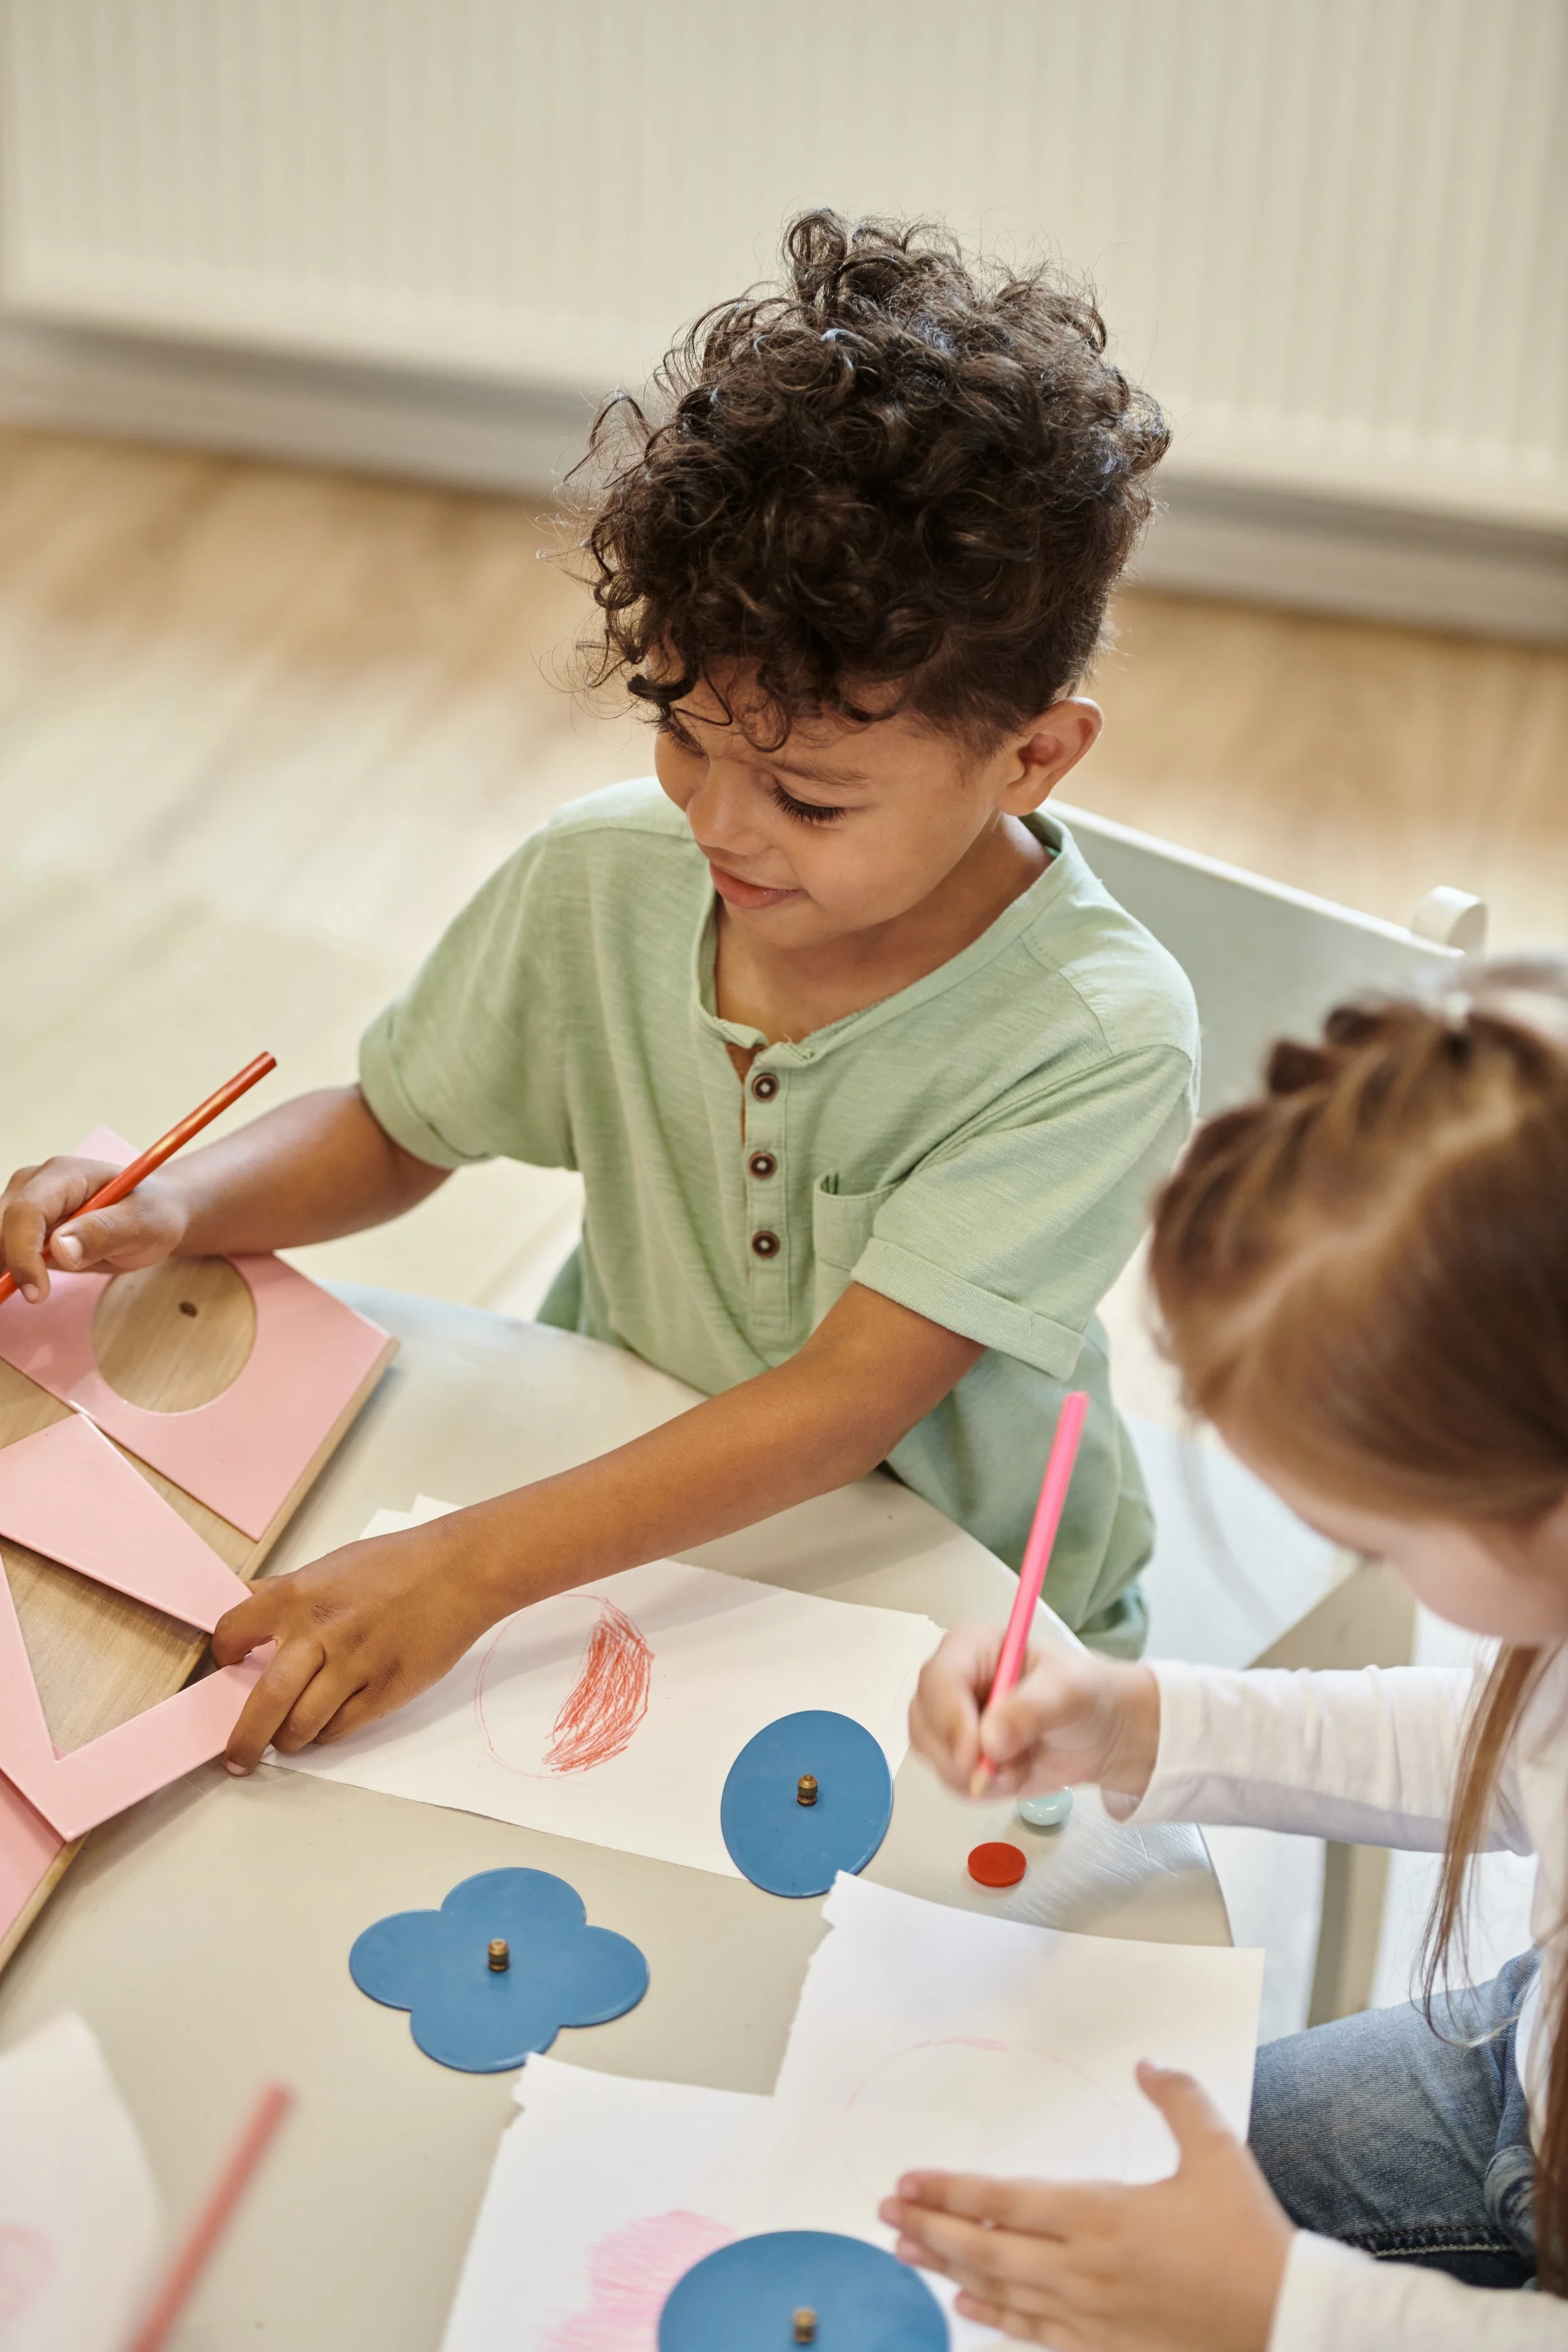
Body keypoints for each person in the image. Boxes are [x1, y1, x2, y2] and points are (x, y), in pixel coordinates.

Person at [0, 213, 1195, 1774]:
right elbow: (400, 1122)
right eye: (684, 736)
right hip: (608, 1492)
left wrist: (468, 1567)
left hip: (952, 1603)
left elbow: (844, 1405)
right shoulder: (607, 877)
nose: (716, 826)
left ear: (1032, 756)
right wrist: (182, 1206)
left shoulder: (1091, 1035)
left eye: (808, 798)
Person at [898, 961, 1568, 2348]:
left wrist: (1282, 2311)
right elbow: (1516, 1755)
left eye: (1377, 1543)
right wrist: (1135, 1722)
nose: (1374, 1572)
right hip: (1523, 2076)